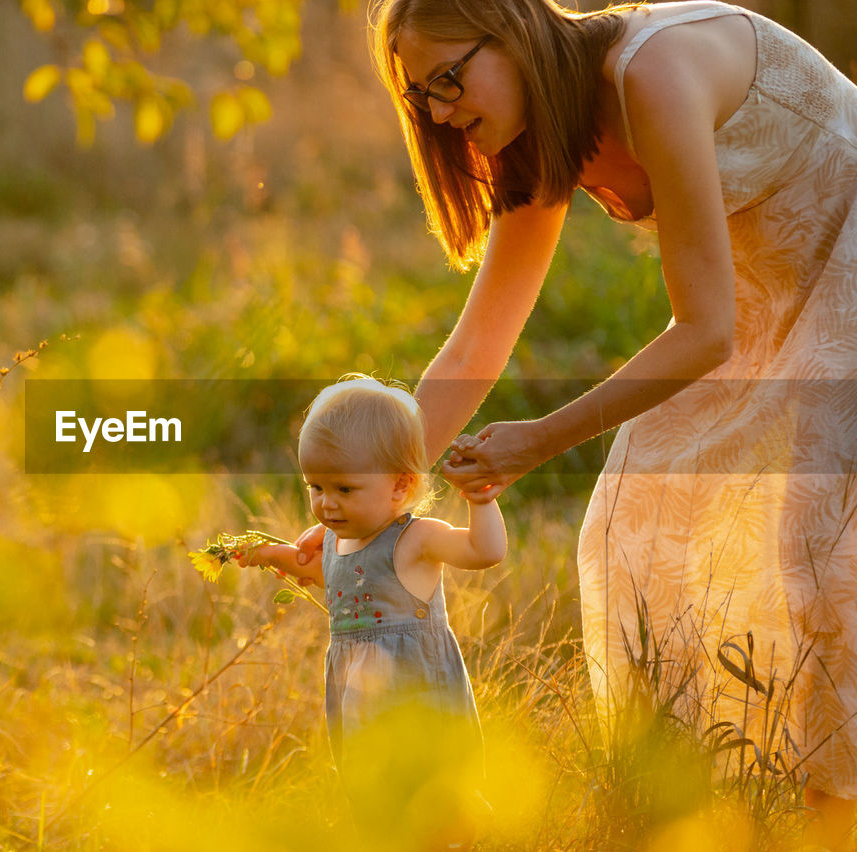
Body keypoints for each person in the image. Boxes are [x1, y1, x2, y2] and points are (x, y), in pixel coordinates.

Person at [292, 0, 857, 845]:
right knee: (645, 516)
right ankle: (703, 805)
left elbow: (703, 332)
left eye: (449, 77)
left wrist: (543, 438)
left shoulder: (653, 73)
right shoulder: (540, 137)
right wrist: (373, 496)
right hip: (776, 306)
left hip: (835, 283)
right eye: (422, 98)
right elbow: (478, 345)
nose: (442, 110)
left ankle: (831, 815)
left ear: (514, 30)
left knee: (817, 546)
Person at [240, 375, 506, 850]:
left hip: (414, 692)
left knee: (430, 796)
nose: (326, 502)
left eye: (344, 488)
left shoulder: (415, 538)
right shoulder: (336, 542)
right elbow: (325, 575)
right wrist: (264, 553)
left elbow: (483, 551)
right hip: (359, 696)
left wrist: (480, 501)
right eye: (315, 486)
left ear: (401, 485)